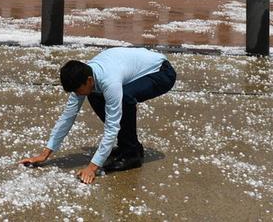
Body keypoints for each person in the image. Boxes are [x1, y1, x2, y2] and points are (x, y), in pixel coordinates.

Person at [20, 47, 177, 184]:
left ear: (88, 80)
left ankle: (131, 154)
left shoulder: (110, 81)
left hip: (161, 73)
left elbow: (112, 125)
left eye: (77, 90)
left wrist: (92, 167)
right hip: (136, 69)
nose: (76, 94)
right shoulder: (84, 77)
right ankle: (129, 147)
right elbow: (67, 116)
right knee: (94, 95)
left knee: (124, 99)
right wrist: (45, 154)